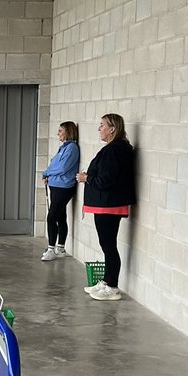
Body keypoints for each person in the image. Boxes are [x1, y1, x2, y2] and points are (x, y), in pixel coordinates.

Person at [77, 113, 135, 301]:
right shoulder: (117, 149)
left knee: (108, 246)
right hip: (108, 204)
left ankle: (112, 286)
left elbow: (106, 180)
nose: (99, 129)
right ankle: (107, 280)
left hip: (109, 205)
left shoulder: (113, 150)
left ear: (113, 129)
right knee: (107, 245)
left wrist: (86, 178)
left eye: (102, 125)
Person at [40, 121, 80, 261]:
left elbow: (62, 168)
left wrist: (46, 172)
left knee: (51, 217)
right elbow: (54, 164)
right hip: (56, 185)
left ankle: (51, 249)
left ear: (68, 132)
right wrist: (48, 175)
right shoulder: (63, 147)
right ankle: (61, 248)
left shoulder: (72, 149)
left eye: (61, 131)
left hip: (64, 187)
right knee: (60, 216)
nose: (58, 134)